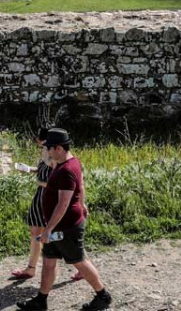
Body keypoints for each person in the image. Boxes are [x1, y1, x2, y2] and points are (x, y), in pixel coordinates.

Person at [17, 128, 112, 311]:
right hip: (56, 227)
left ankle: (103, 296)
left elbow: (63, 204)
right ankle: (41, 300)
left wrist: (48, 229)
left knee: (79, 261)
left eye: (50, 148)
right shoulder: (65, 163)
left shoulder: (67, 170)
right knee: (49, 261)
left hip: (66, 228)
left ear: (59, 148)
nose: (48, 151)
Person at [11, 128, 85, 282]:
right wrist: (29, 169)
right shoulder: (49, 152)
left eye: (40, 142)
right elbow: (42, 170)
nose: (38, 144)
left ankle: (82, 266)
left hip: (49, 199)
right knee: (37, 232)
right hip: (41, 199)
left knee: (61, 237)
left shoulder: (55, 155)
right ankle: (31, 268)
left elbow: (60, 182)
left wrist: (39, 182)